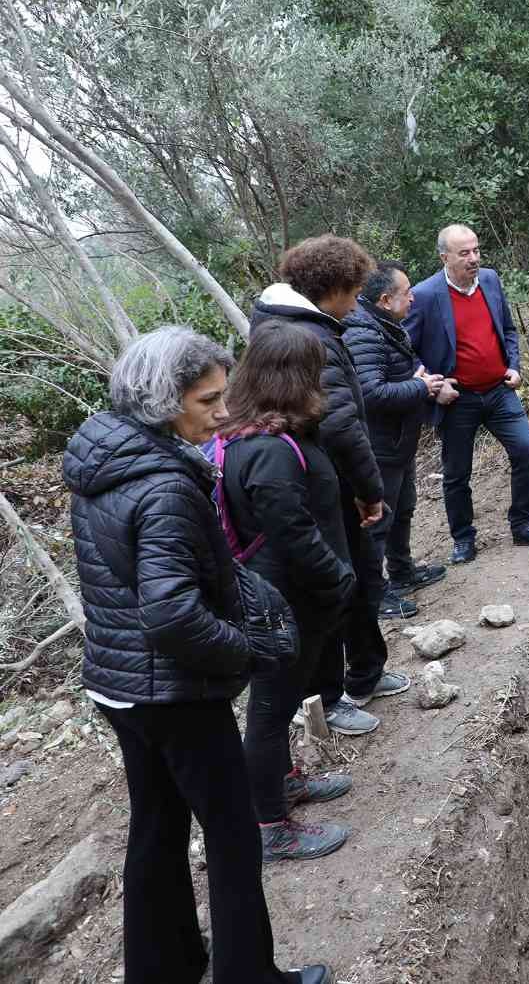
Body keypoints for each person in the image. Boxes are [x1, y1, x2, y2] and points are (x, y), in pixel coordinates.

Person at [63, 326, 330, 984]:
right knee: (234, 835)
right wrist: (244, 655)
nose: (223, 413)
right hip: (174, 692)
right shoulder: (166, 487)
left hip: (117, 682)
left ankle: (166, 967)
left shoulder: (103, 460)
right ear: (163, 400)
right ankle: (249, 976)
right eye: (209, 401)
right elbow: (170, 611)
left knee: (155, 829)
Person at [252, 235, 409, 738]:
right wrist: (370, 488)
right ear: (335, 288)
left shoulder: (308, 324)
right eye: (356, 290)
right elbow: (339, 423)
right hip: (321, 483)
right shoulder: (308, 337)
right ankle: (334, 694)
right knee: (336, 586)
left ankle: (366, 671)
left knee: (362, 576)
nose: (358, 299)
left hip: (330, 479)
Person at [217, 320, 357, 863]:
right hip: (285, 601)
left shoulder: (268, 434)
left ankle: (287, 782)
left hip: (292, 597)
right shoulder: (270, 451)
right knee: (271, 710)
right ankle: (270, 824)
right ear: (293, 377)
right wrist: (337, 578)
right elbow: (293, 533)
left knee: (279, 702)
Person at [405, 223, 529, 563]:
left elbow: (507, 329)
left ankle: (523, 525)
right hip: (459, 400)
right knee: (457, 473)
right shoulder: (425, 295)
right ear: (444, 257)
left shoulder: (489, 279)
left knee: (527, 452)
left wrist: (514, 365)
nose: (473, 258)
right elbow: (404, 350)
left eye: (475, 250)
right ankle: (463, 539)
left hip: (499, 390)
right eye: (464, 253)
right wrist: (433, 386)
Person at [344, 260, 448, 615]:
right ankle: (375, 595)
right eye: (407, 293)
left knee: (403, 509)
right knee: (378, 522)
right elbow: (371, 393)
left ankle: (403, 571)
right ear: (386, 300)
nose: (414, 298)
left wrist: (414, 376)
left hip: (399, 441)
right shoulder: (363, 333)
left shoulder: (387, 325)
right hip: (379, 445)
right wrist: (419, 387)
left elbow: (394, 370)